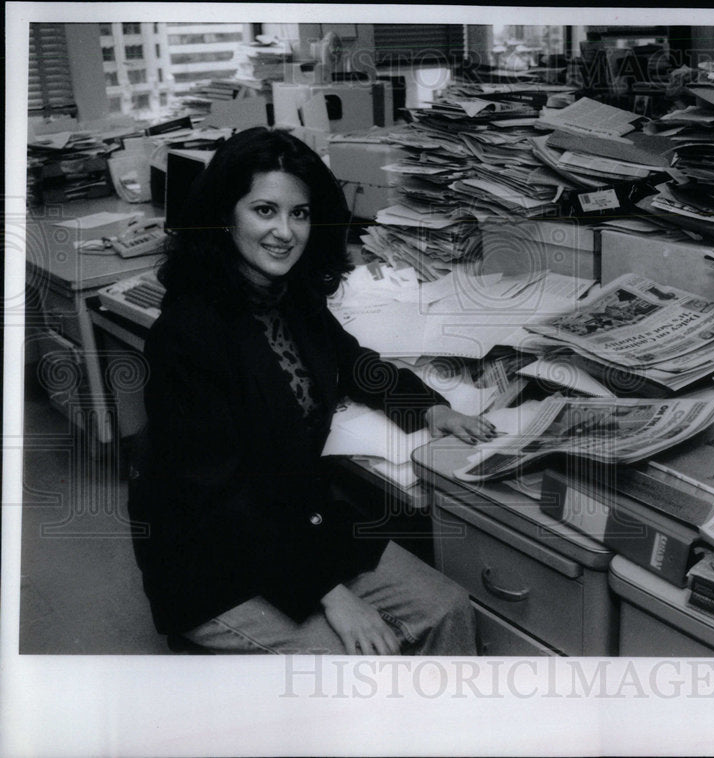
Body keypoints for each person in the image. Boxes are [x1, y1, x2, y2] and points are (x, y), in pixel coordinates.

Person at [129, 127, 495, 655]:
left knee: (448, 608)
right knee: (361, 663)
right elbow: (215, 500)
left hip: (296, 520)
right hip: (213, 558)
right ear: (225, 214)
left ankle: (435, 736)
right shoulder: (187, 334)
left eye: (298, 213)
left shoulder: (288, 294)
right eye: (264, 210)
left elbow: (348, 360)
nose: (285, 232)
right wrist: (330, 594)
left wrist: (429, 410)